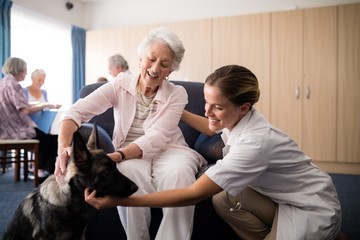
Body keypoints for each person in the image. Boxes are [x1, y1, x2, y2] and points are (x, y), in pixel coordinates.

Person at [85, 65, 343, 240]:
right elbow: (208, 126)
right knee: (223, 199)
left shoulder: (254, 143)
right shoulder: (240, 119)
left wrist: (120, 201)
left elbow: (191, 195)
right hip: (280, 197)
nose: (207, 111)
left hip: (310, 206)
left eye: (216, 107)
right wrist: (171, 108)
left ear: (243, 107)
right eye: (206, 102)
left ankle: (325, 233)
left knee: (213, 192)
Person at [55, 27, 206, 240]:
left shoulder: (177, 94)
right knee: (126, 172)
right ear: (140, 60)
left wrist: (118, 155)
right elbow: (74, 112)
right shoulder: (119, 86)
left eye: (164, 64)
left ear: (171, 70)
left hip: (170, 150)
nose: (155, 69)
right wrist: (63, 148)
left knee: (179, 173)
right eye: (151, 59)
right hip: (130, 151)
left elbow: (157, 136)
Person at [0, 57, 60, 179]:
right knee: (53, 140)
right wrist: (46, 105)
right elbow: (25, 109)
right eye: (25, 70)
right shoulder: (14, 85)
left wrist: (45, 104)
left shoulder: (4, 82)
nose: (26, 74)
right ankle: (42, 172)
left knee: (46, 137)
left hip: (5, 128)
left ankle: (41, 169)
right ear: (18, 70)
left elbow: (22, 105)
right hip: (14, 129)